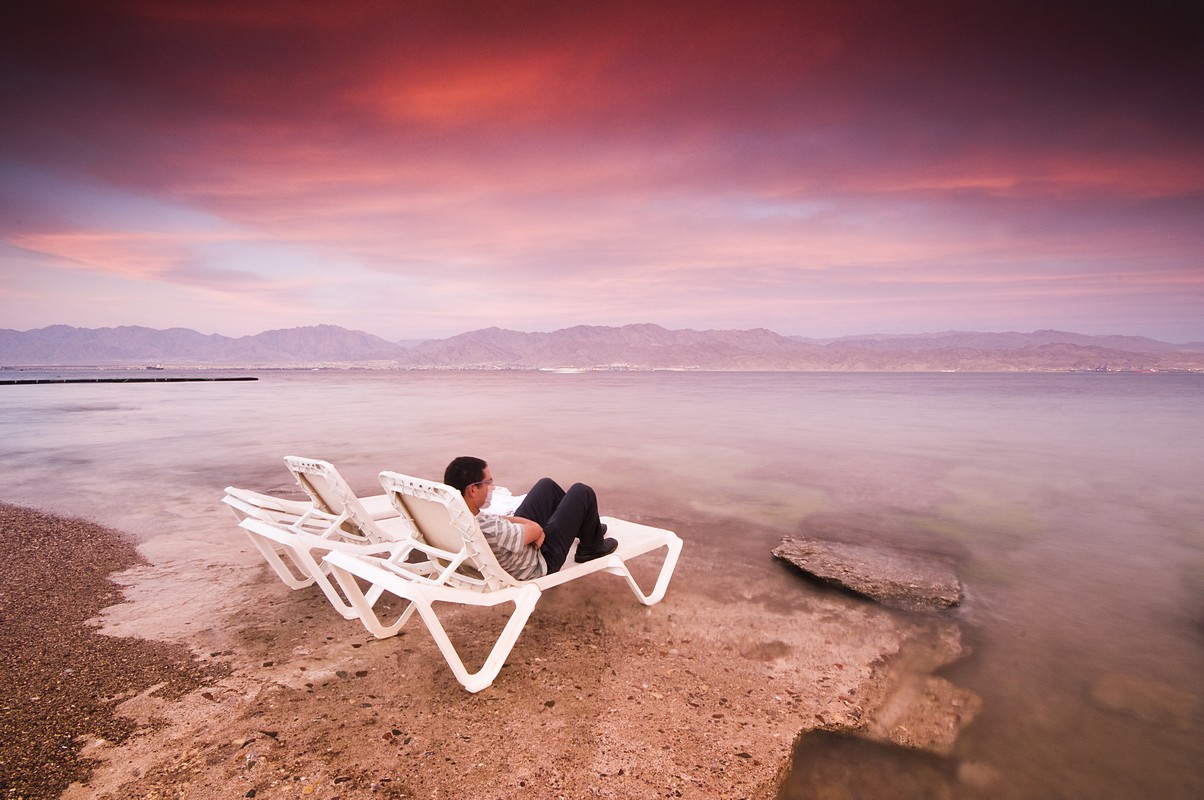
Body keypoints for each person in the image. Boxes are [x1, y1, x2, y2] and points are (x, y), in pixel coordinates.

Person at [443, 456, 618, 580]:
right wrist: (535, 529)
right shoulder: (492, 530)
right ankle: (591, 547)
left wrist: (516, 524)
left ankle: (587, 527)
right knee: (582, 492)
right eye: (488, 483)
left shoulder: (458, 517)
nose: (493, 487)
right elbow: (536, 530)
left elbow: (500, 522)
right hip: (541, 561)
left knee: (546, 486)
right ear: (473, 489)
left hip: (513, 548)